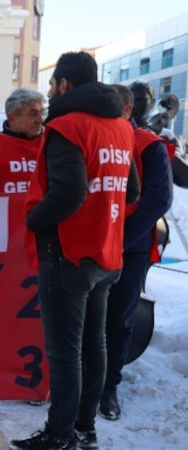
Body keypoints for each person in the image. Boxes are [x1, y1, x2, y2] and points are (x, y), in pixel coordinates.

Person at [12, 52, 139, 450]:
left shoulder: (66, 126)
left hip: (68, 253)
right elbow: (131, 190)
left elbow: (68, 193)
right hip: (106, 253)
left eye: (52, 84)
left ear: (64, 84)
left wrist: (33, 221)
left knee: (65, 353)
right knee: (93, 346)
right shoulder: (122, 128)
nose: (49, 92)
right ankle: (84, 427)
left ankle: (60, 434)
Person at [100, 83, 173, 421]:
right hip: (92, 243)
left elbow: (159, 200)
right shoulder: (94, 137)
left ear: (128, 109)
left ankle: (108, 387)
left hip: (129, 248)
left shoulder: (148, 144)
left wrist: (121, 241)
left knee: (118, 319)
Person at [0, 88, 45, 194]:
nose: (40, 120)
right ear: (12, 119)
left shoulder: (51, 143)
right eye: (33, 114)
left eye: (42, 113)